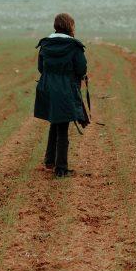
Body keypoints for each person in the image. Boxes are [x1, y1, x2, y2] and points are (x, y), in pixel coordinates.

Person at [34, 13, 88, 178]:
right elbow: (81, 69)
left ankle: (50, 161)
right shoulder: (74, 46)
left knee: (55, 122)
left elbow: (41, 68)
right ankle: (61, 169)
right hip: (65, 90)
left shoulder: (45, 44)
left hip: (47, 88)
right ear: (70, 26)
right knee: (62, 127)